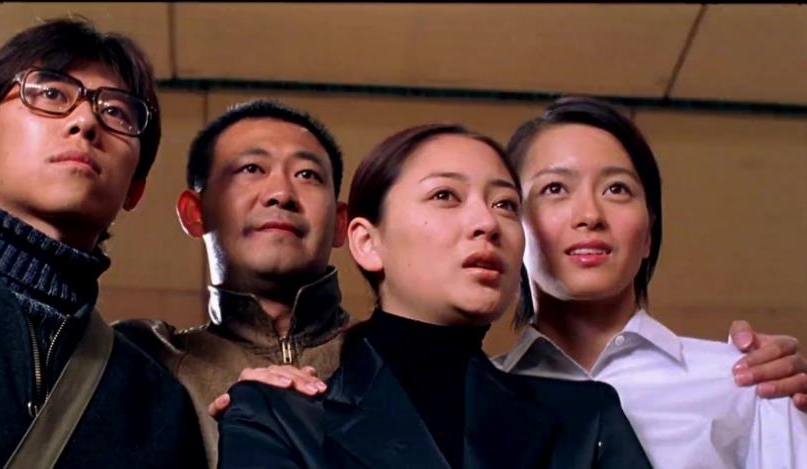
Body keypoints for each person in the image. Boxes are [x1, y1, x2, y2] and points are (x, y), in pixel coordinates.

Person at [0, 18, 205, 467]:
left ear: (134, 189)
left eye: (116, 113)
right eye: (50, 94)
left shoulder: (155, 404)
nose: (86, 121)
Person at [217, 123, 653, 468]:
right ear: (367, 243)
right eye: (445, 196)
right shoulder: (279, 415)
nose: (487, 223)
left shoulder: (585, 419)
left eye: (505, 204)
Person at [495, 96, 807, 468]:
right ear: (510, 225)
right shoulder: (469, 401)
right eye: (555, 189)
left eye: (617, 189)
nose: (590, 215)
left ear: (648, 235)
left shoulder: (745, 383)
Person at [115, 99, 350, 467]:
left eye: (307, 175)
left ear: (340, 223)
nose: (281, 194)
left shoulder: (393, 360)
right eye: (251, 168)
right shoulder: (141, 358)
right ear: (195, 213)